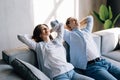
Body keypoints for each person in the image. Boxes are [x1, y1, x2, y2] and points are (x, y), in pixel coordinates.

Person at [17, 22, 94, 80]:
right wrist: (34, 36)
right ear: (39, 34)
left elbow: (61, 24)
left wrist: (51, 30)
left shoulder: (57, 41)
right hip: (58, 76)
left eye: (46, 27)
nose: (46, 29)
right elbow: (21, 37)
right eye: (43, 29)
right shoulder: (38, 46)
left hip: (71, 72)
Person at [62, 15, 120, 80]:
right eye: (73, 20)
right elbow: (56, 25)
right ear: (69, 26)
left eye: (76, 19)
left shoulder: (86, 31)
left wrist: (78, 24)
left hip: (103, 61)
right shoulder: (69, 35)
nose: (76, 20)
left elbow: (90, 18)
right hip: (92, 67)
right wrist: (67, 27)